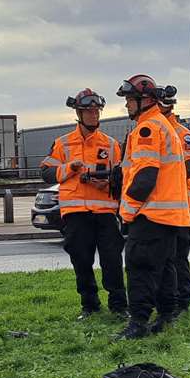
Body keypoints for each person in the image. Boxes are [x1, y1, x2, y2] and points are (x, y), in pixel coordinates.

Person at [111, 74, 190, 339]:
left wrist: (127, 211)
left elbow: (145, 178)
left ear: (145, 100)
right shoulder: (162, 124)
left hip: (150, 212)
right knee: (166, 266)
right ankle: (166, 316)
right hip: (169, 215)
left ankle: (138, 323)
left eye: (130, 100)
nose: (126, 106)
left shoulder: (147, 128)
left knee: (139, 267)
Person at [41, 88, 126, 318]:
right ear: (79, 113)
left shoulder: (111, 144)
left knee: (112, 260)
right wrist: (70, 168)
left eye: (97, 111)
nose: (94, 116)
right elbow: (46, 173)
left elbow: (121, 178)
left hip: (105, 212)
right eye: (89, 112)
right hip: (75, 212)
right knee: (81, 260)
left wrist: (106, 184)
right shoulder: (62, 143)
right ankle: (89, 306)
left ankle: (119, 306)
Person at [157, 87, 190, 320]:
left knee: (178, 257)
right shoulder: (148, 131)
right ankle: (165, 299)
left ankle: (182, 301)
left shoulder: (183, 135)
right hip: (157, 208)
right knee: (161, 258)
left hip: (181, 206)